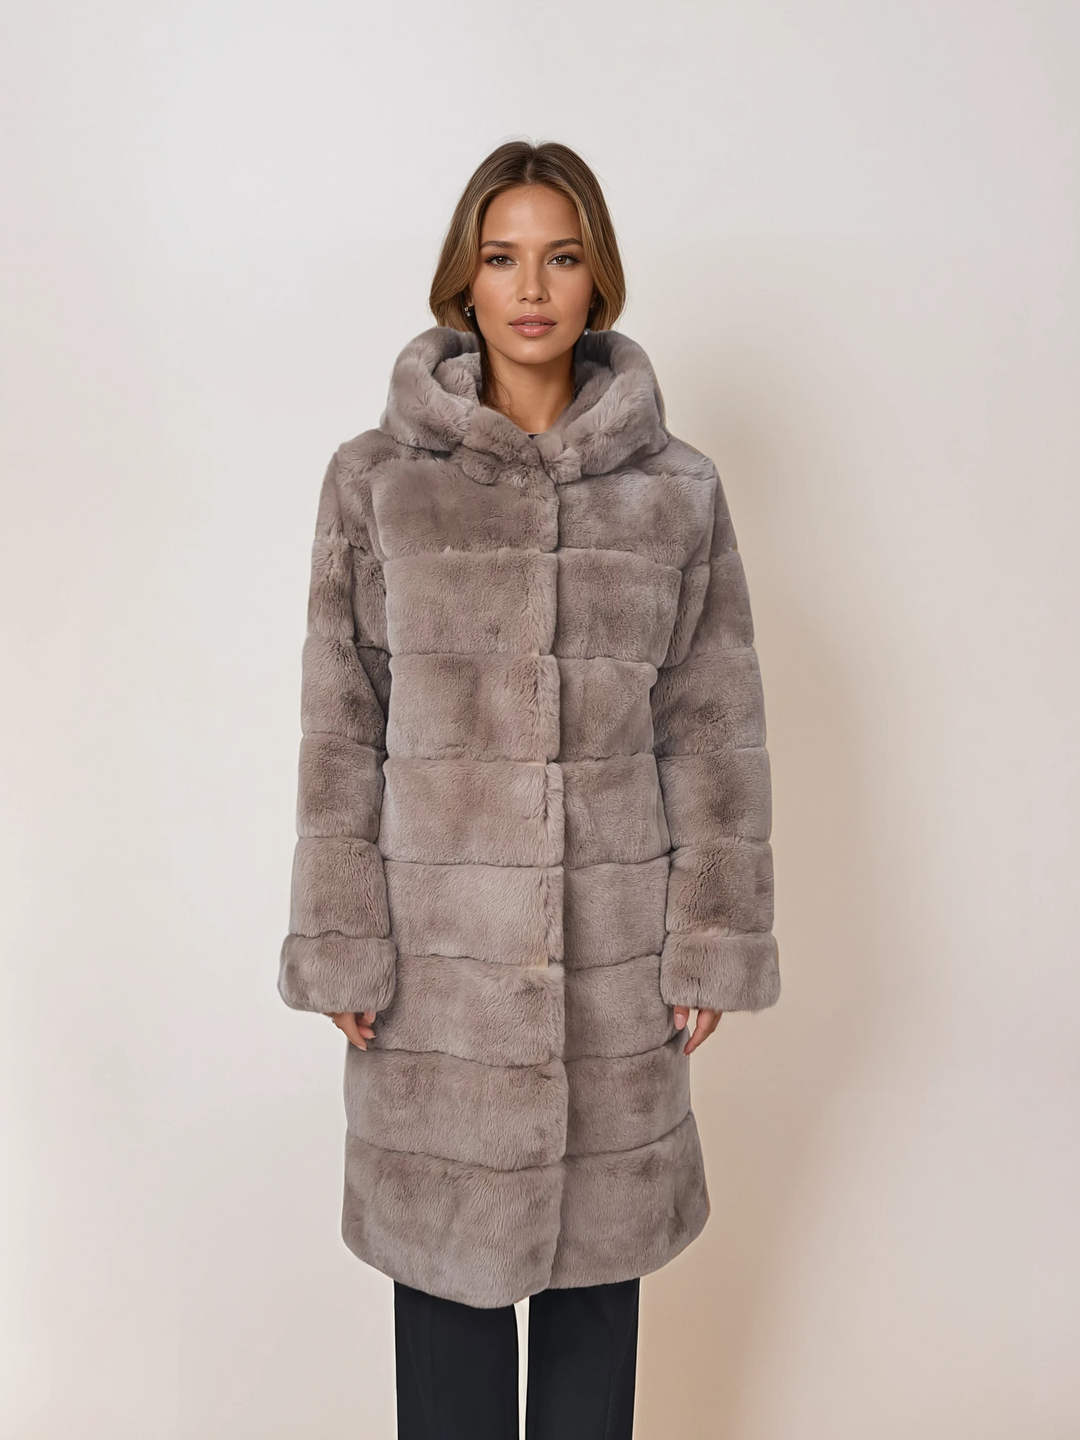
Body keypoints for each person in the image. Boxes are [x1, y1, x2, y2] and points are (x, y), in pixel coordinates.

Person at [277, 139, 781, 1440]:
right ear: (465, 280)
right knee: (447, 1337)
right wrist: (342, 936)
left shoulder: (677, 494)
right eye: (503, 259)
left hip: (612, 980)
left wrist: (710, 940)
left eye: (560, 257)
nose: (533, 287)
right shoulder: (377, 482)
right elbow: (342, 724)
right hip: (435, 984)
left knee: (592, 1340)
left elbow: (711, 729)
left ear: (598, 274)